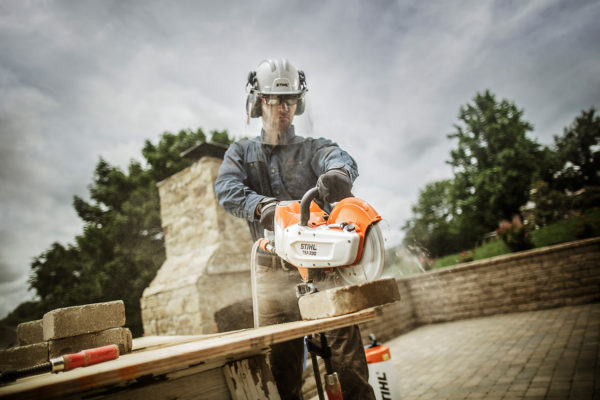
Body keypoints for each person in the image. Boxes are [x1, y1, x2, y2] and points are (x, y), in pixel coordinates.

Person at [214, 58, 375, 400]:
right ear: (259, 101)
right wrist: (263, 206)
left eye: (289, 100)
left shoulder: (313, 147)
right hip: (273, 270)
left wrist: (339, 174)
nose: (283, 107)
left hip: (324, 268)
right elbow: (226, 188)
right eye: (275, 99)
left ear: (298, 102)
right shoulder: (241, 152)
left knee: (349, 368)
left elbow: (338, 156)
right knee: (281, 373)